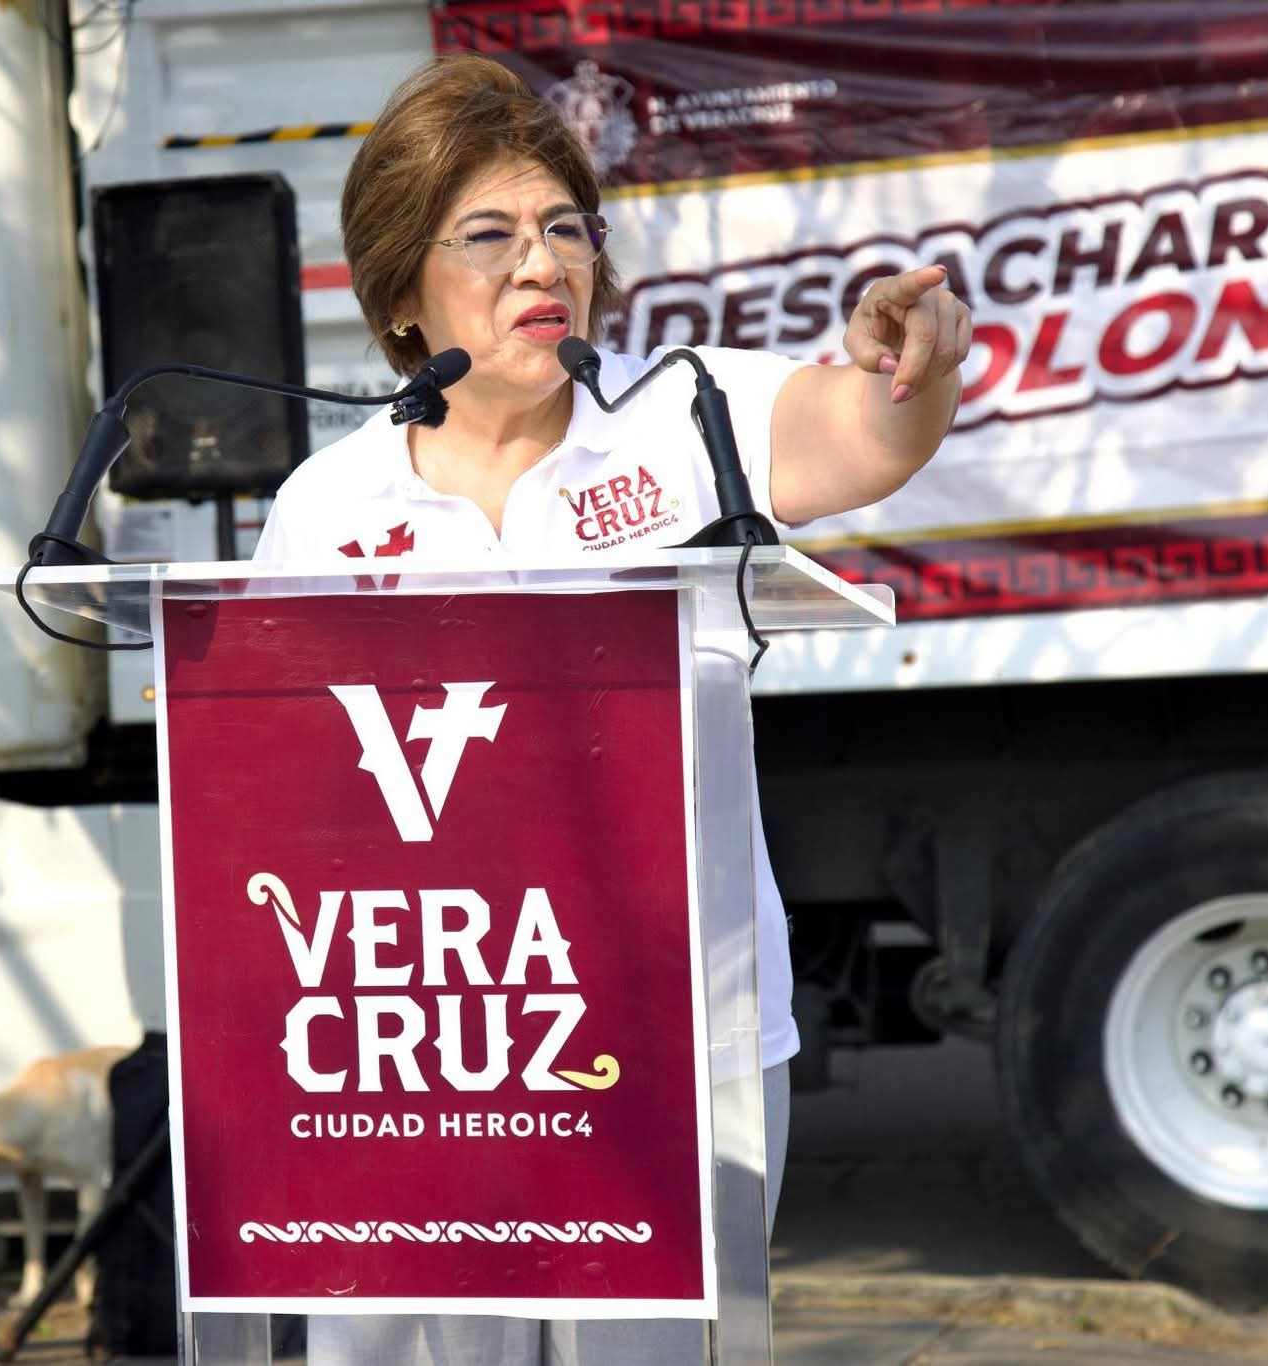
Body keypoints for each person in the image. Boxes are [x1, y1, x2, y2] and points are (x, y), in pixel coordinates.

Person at [253, 53, 968, 1365]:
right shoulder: (325, 506)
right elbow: (281, 793)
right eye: (490, 235)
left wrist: (907, 367)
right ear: (402, 292)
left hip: (670, 1040)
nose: (543, 263)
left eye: (565, 228)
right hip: (421, 1052)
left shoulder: (679, 416)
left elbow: (866, 429)